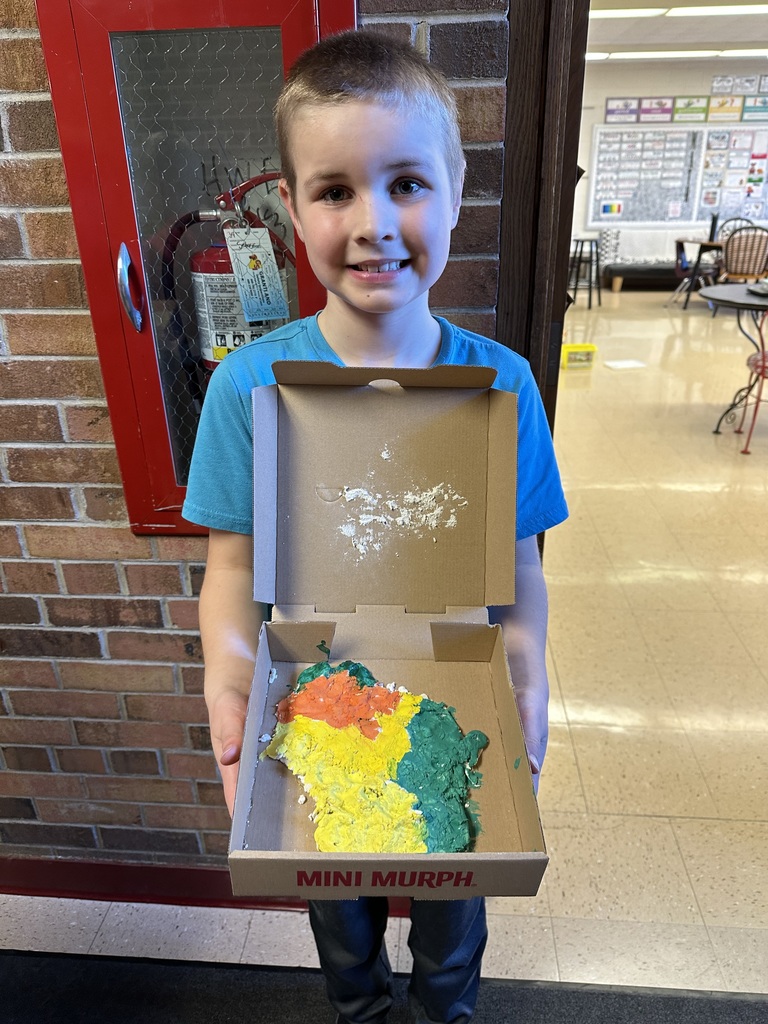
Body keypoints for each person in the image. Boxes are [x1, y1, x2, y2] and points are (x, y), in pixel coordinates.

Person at [182, 29, 568, 1024]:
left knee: (454, 902)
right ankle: (359, 1010)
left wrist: (528, 671)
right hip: (314, 694)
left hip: (457, 681)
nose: (373, 224)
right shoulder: (248, 386)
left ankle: (444, 1012)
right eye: (334, 191)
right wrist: (230, 679)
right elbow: (233, 566)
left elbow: (521, 565)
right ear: (292, 205)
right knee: (337, 907)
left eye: (405, 184)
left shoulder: (503, 383)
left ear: (454, 189)